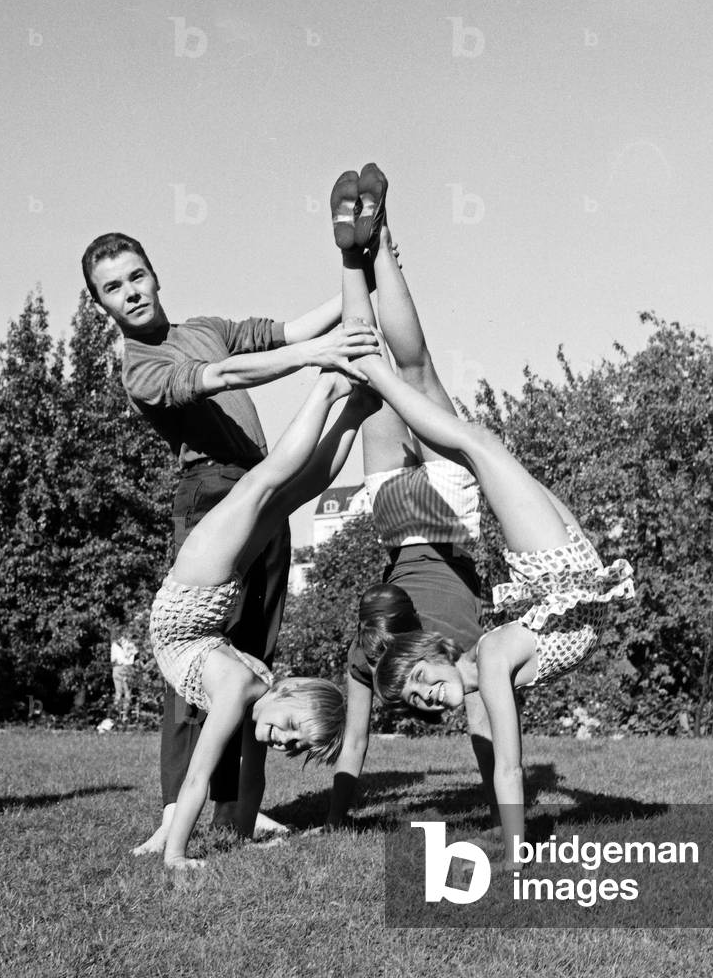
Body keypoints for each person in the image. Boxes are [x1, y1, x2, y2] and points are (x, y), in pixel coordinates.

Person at [81, 232, 378, 853]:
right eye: (113, 289)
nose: (130, 293)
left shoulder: (208, 325)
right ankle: (174, 811)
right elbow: (224, 374)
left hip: (259, 474)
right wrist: (321, 361)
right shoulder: (140, 363)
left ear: (155, 275)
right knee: (205, 677)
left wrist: (360, 276)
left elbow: (291, 330)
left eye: (136, 277)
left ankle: (238, 810)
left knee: (253, 657)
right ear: (101, 306)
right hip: (212, 486)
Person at [357, 237, 635, 868]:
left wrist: (511, 854)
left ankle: (380, 266)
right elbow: (501, 759)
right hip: (563, 570)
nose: (428, 696)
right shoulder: (489, 667)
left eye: (423, 682)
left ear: (436, 653)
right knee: (453, 417)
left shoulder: (490, 661)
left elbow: (507, 770)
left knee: (463, 429)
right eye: (420, 700)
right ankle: (379, 262)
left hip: (559, 572)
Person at [149, 368, 380, 868]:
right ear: (290, 692)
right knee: (269, 483)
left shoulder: (262, 700)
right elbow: (197, 777)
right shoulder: (240, 693)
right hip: (193, 598)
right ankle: (328, 390)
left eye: (294, 744)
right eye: (292, 727)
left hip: (206, 606)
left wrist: (246, 821)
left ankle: (357, 411)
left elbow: (253, 779)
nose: (283, 740)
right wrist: (176, 854)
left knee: (290, 494)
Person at [324, 165, 495, 828]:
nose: (432, 704)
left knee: (402, 367)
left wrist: (341, 816)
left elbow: (355, 743)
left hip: (436, 516)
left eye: (421, 706)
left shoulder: (457, 659)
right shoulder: (384, 650)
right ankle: (361, 250)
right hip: (396, 515)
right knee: (390, 366)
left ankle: (361, 247)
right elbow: (360, 743)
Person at [110, 634, 138, 721]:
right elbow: (135, 654)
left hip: (117, 668)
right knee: (127, 693)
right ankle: (124, 716)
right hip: (126, 667)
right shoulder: (130, 644)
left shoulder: (114, 645)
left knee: (118, 693)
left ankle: (115, 717)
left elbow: (113, 659)